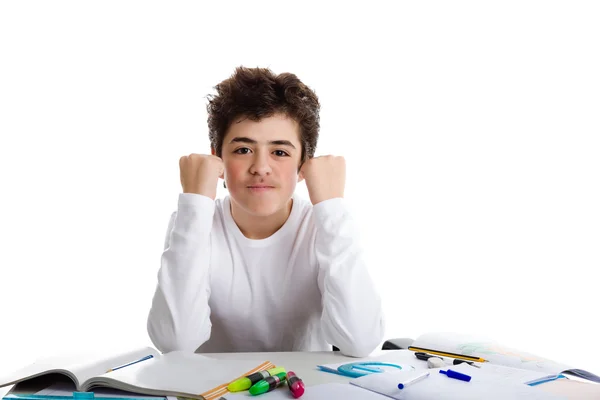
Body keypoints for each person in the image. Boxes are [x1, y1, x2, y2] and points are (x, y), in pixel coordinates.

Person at [147, 66, 385, 357]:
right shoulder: (193, 223)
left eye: (280, 152)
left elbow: (360, 341)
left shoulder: (323, 224)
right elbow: (174, 344)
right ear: (217, 159)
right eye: (243, 150)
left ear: (303, 166)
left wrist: (332, 207)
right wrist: (196, 203)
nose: (260, 167)